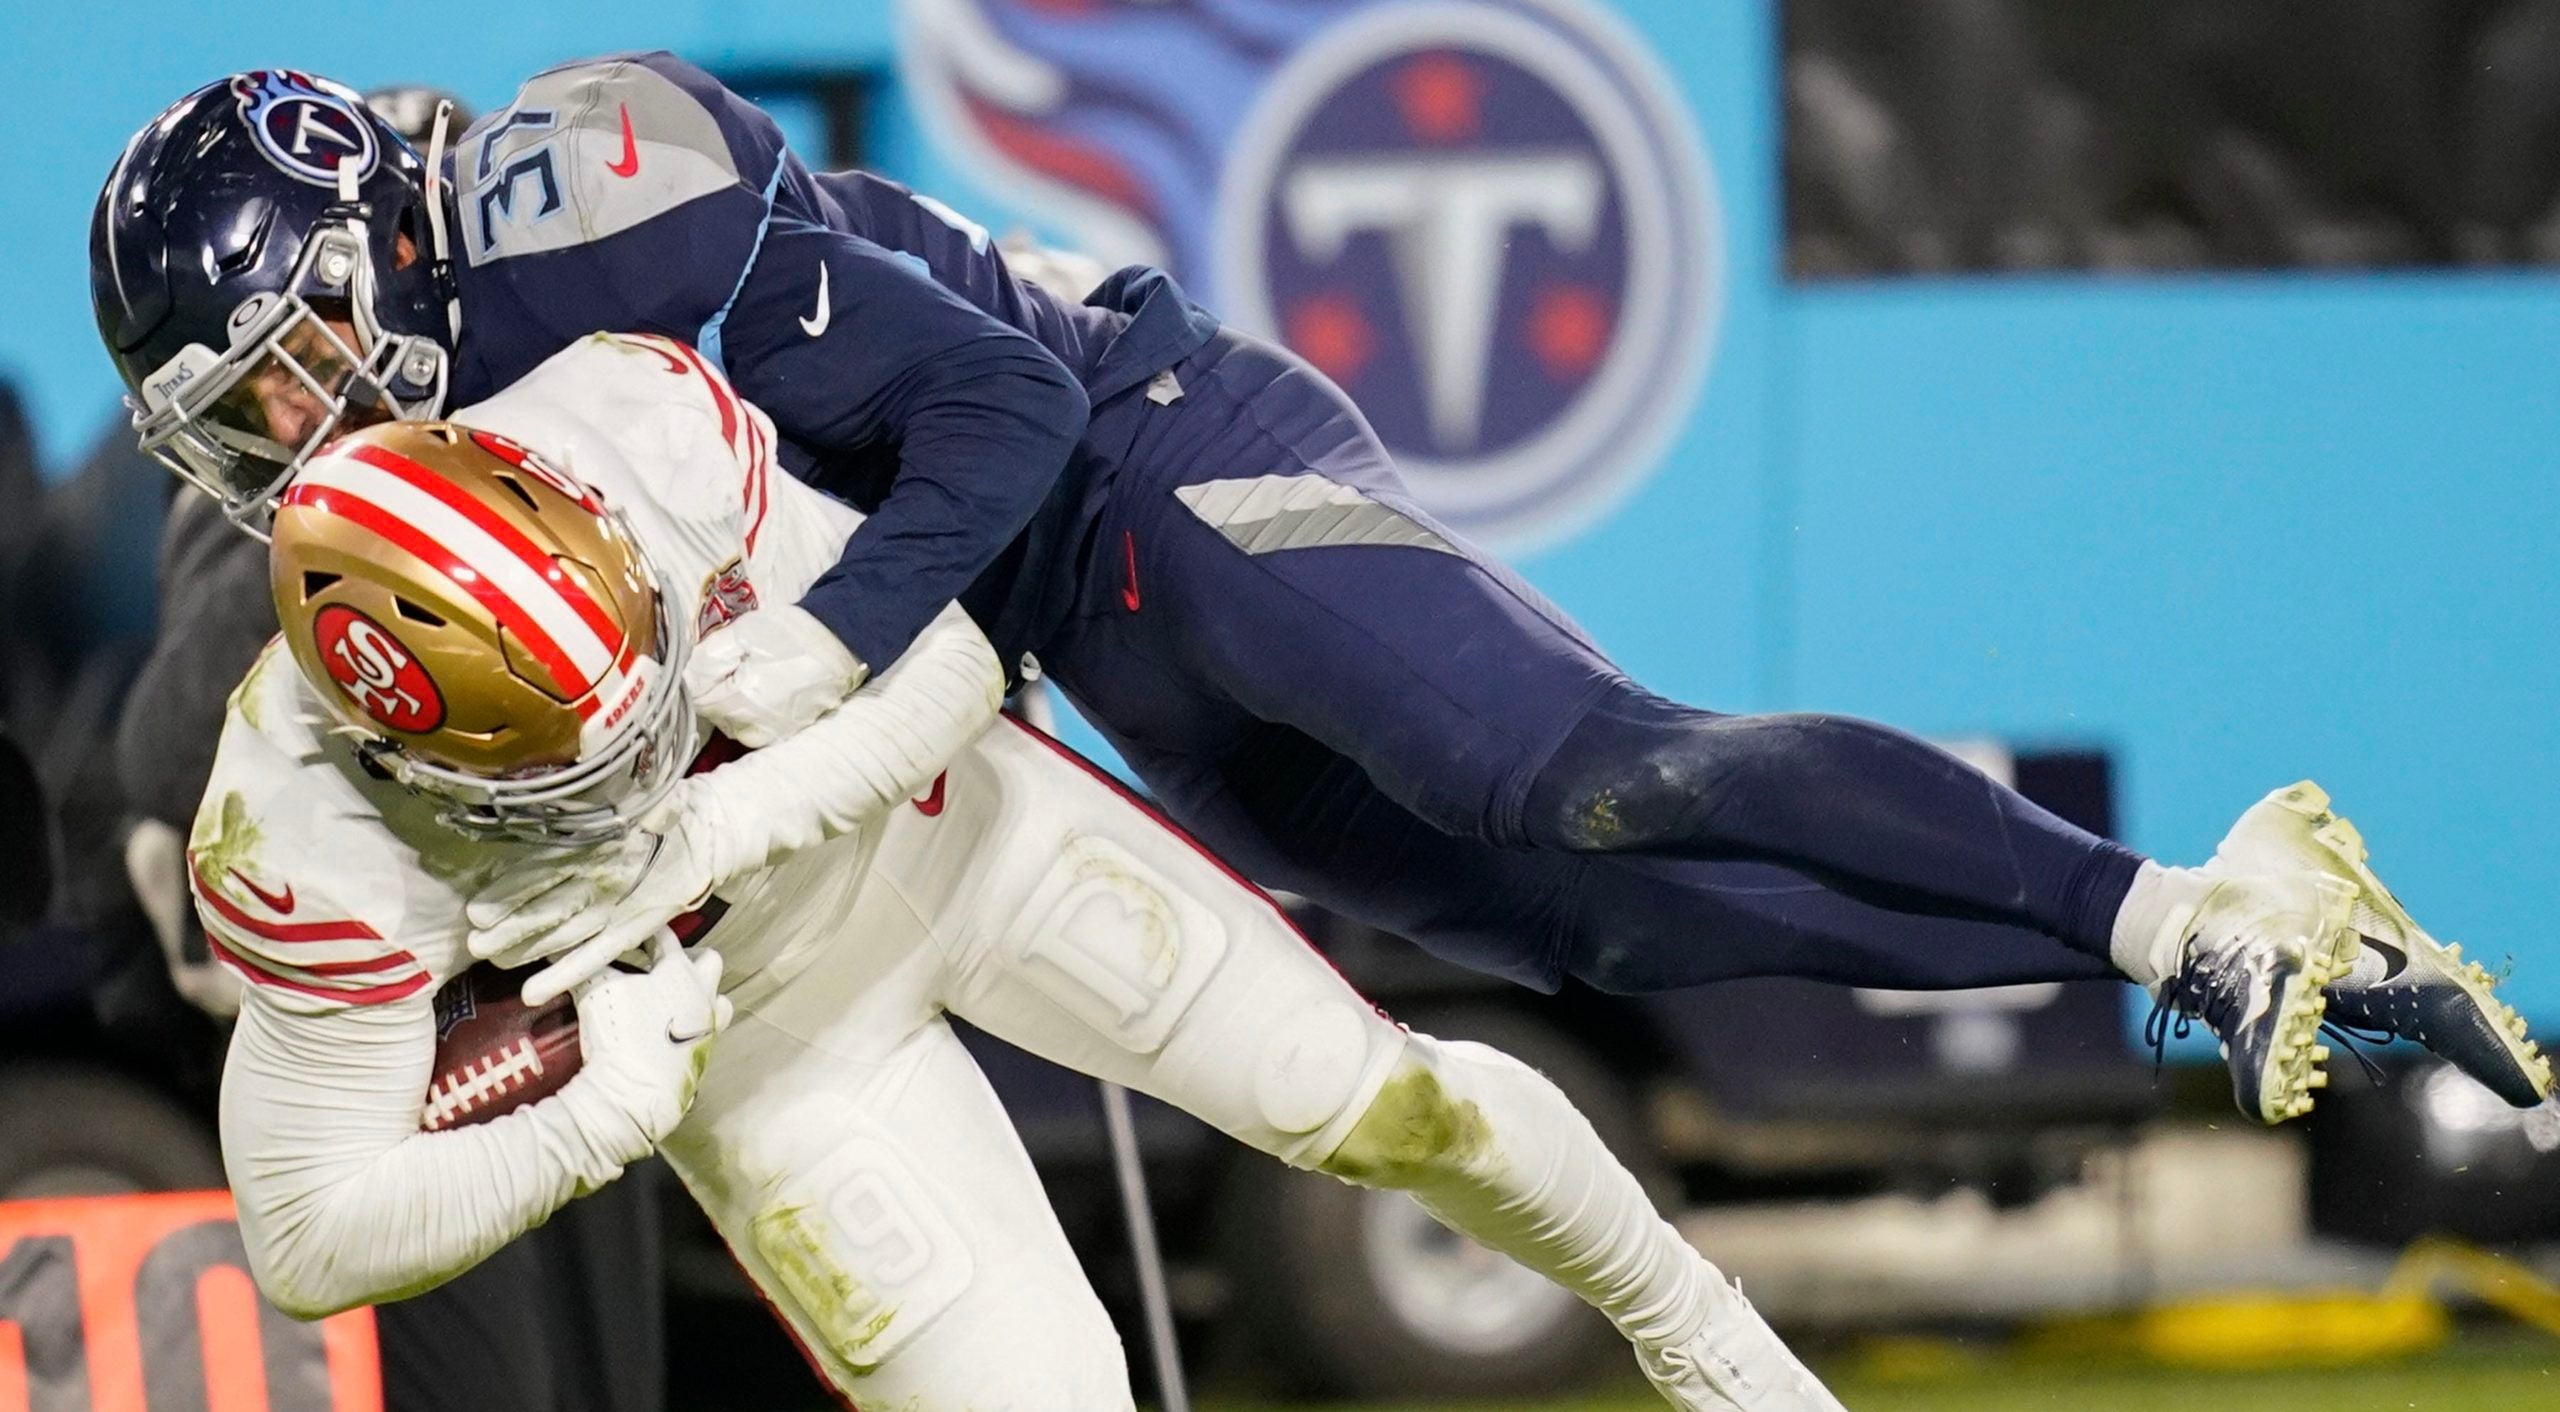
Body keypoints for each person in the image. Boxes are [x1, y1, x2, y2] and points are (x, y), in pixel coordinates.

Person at [89, 63, 2545, 1129]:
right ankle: (2197, 947)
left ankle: (2171, 898)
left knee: (1575, 778)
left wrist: (820, 658)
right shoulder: (435, 416)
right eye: (245, 407)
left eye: (288, 355)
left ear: (366, 233)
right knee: (1591, 936)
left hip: (1148, 450)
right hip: (1072, 608)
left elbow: (996, 408)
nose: (292, 424)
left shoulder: (579, 211)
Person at [193, 326, 1843, 1410]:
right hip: (771, 1048)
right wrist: (597, 1120)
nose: (644, 750)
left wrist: (736, 817)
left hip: (953, 835)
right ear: (407, 759)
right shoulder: (296, 831)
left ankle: (1697, 1329)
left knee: (1372, 1100)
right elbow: (308, 1237)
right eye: (582, 766)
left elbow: (965, 650)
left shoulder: (638, 429)